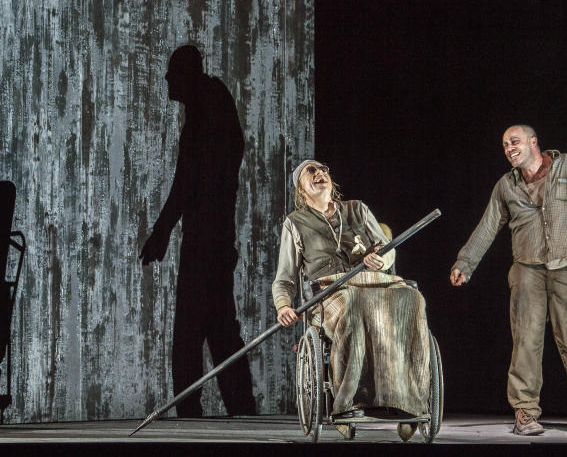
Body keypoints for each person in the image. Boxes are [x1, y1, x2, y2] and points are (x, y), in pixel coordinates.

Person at [450, 125, 567, 436]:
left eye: (514, 141)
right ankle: (525, 413)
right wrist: (466, 262)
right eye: (504, 145)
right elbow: (487, 227)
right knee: (526, 341)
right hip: (526, 270)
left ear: (533, 142)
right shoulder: (506, 185)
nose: (509, 148)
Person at [273, 159, 431, 441]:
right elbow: (285, 277)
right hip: (331, 291)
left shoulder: (357, 209)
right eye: (311, 171)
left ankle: (409, 403)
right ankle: (348, 403)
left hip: (374, 283)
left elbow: (387, 248)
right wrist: (283, 304)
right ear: (300, 188)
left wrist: (380, 257)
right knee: (353, 303)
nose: (320, 173)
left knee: (413, 299)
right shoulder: (295, 223)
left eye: (323, 169)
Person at [139, 45, 256, 417]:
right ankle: (238, 407)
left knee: (191, 335)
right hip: (212, 238)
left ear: (188, 74)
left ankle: (191, 412)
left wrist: (161, 232)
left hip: (207, 241)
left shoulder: (208, 107)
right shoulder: (210, 104)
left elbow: (188, 180)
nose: (166, 80)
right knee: (219, 330)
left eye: (172, 73)